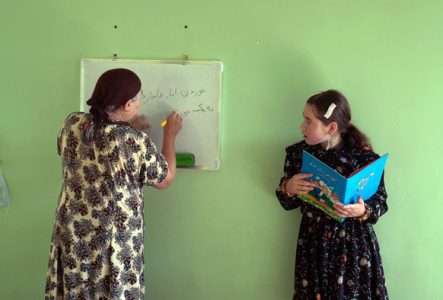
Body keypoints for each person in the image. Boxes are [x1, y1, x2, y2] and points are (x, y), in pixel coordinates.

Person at [45, 68, 182, 299]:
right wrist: (170, 135)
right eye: (138, 98)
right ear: (128, 105)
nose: (140, 103)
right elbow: (165, 178)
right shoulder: (133, 141)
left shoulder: (72, 124)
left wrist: (127, 128)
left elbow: (92, 148)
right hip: (113, 241)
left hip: (73, 234)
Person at [276, 90, 389, 300]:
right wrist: (289, 187)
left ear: (331, 127)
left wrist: (363, 209)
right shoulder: (297, 155)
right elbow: (285, 202)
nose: (302, 127)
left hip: (354, 246)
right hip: (314, 243)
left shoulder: (364, 157)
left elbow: (381, 201)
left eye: (309, 121)